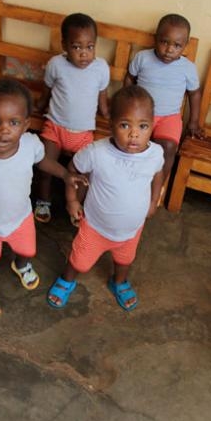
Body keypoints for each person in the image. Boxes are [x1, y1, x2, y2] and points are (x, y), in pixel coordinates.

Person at [0, 79, 88, 317]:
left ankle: (20, 264)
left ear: (26, 124)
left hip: (21, 216)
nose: (4, 129)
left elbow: (44, 161)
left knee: (27, 250)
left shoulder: (30, 145)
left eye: (14, 122)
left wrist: (65, 175)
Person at [46, 86, 164, 312]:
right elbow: (73, 170)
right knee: (79, 260)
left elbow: (159, 172)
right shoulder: (96, 152)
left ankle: (118, 282)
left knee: (125, 260)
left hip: (132, 230)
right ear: (110, 125)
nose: (134, 134)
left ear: (152, 125)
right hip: (96, 227)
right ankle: (67, 278)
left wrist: (153, 200)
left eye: (143, 126)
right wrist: (72, 200)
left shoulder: (155, 153)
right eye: (124, 125)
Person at [34, 13, 110, 223]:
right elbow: (47, 90)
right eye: (77, 47)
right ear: (65, 45)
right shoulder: (56, 65)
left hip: (84, 133)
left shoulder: (101, 68)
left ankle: (76, 206)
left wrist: (106, 113)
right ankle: (43, 200)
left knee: (85, 174)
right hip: (55, 127)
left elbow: (103, 97)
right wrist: (39, 106)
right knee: (44, 165)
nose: (84, 54)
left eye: (89, 47)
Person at [124, 14, 201, 204]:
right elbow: (129, 79)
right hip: (140, 114)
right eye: (164, 42)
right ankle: (127, 183)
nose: (169, 50)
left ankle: (156, 187)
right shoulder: (143, 58)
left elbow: (195, 93)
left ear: (186, 45)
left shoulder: (187, 68)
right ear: (155, 38)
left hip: (169, 118)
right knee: (132, 143)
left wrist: (194, 121)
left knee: (167, 147)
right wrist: (126, 103)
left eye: (177, 45)